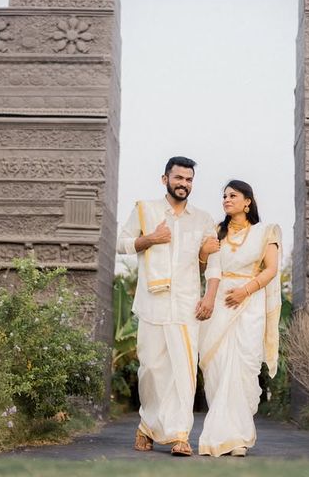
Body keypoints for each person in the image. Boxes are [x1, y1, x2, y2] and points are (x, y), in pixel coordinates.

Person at [116, 156, 219, 456]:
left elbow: (212, 264)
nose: (184, 184)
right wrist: (149, 238)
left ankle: (179, 435)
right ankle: (146, 427)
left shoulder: (202, 219)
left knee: (184, 371)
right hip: (152, 304)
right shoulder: (144, 210)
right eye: (178, 178)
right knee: (151, 369)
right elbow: (120, 244)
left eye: (188, 180)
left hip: (187, 305)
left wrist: (209, 296)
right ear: (165, 180)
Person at [197, 180, 282, 457]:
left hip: (249, 304)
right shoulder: (216, 232)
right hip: (220, 302)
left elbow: (270, 270)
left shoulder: (265, 232)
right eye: (223, 196)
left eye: (232, 195)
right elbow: (207, 266)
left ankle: (238, 438)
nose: (226, 199)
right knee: (218, 367)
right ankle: (223, 436)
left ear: (248, 201)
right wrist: (204, 253)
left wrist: (245, 291)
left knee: (244, 366)